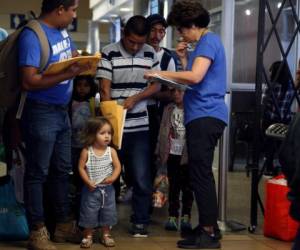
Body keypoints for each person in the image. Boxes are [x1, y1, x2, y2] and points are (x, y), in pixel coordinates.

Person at [145, 1, 227, 248]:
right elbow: (191, 80)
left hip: (206, 115)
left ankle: (209, 232)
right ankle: (206, 226)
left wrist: (160, 74)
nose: (180, 34)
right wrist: (182, 60)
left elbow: (195, 77)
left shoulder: (209, 41)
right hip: (200, 114)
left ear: (192, 25)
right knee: (198, 174)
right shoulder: (201, 45)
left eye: (181, 29)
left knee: (200, 175)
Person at [18, 1, 90, 249]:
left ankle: (62, 226)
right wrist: (68, 74)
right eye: (72, 10)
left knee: (62, 170)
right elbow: (29, 81)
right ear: (60, 9)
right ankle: (37, 232)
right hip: (40, 111)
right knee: (38, 172)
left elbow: (63, 62)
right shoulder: (32, 34)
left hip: (62, 112)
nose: (74, 15)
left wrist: (78, 63)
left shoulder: (62, 32)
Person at [97, 15, 160, 237]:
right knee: (108, 176)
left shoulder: (150, 53)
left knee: (142, 177)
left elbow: (155, 85)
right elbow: (104, 89)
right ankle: (107, 220)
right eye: (131, 41)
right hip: (113, 127)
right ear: (124, 34)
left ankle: (140, 221)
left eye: (139, 43)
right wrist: (110, 123)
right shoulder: (109, 51)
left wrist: (137, 97)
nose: (135, 47)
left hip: (140, 126)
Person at [78, 117, 121, 248]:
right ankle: (88, 235)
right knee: (89, 212)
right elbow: (80, 167)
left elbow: (118, 166)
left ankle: (106, 235)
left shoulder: (111, 151)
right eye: (102, 133)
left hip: (107, 189)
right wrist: (87, 182)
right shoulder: (87, 151)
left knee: (108, 212)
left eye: (109, 133)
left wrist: (113, 177)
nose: (107, 136)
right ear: (92, 134)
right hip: (91, 189)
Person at [155, 88, 193, 232]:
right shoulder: (168, 109)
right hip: (171, 153)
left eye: (180, 91)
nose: (176, 94)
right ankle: (172, 215)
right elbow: (162, 130)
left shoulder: (192, 108)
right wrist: (159, 150)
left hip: (187, 155)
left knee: (188, 187)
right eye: (173, 91)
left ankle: (186, 216)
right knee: (173, 186)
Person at [146, 14, 177, 183]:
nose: (157, 36)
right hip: (136, 113)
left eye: (161, 31)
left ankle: (154, 189)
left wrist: (151, 93)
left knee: (156, 151)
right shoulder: (138, 52)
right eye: (153, 30)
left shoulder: (167, 58)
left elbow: (172, 92)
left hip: (157, 114)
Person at [70, 75, 97, 219]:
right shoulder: (70, 102)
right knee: (75, 174)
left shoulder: (92, 103)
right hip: (72, 145)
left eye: (86, 85)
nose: (82, 88)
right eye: (79, 85)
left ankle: (83, 203)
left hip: (87, 147)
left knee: (85, 176)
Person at [262, 61, 295, 176]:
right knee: (283, 145)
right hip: (286, 122)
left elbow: (264, 103)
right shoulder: (292, 85)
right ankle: (283, 168)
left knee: (268, 143)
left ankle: (269, 167)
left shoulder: (272, 86)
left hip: (271, 122)